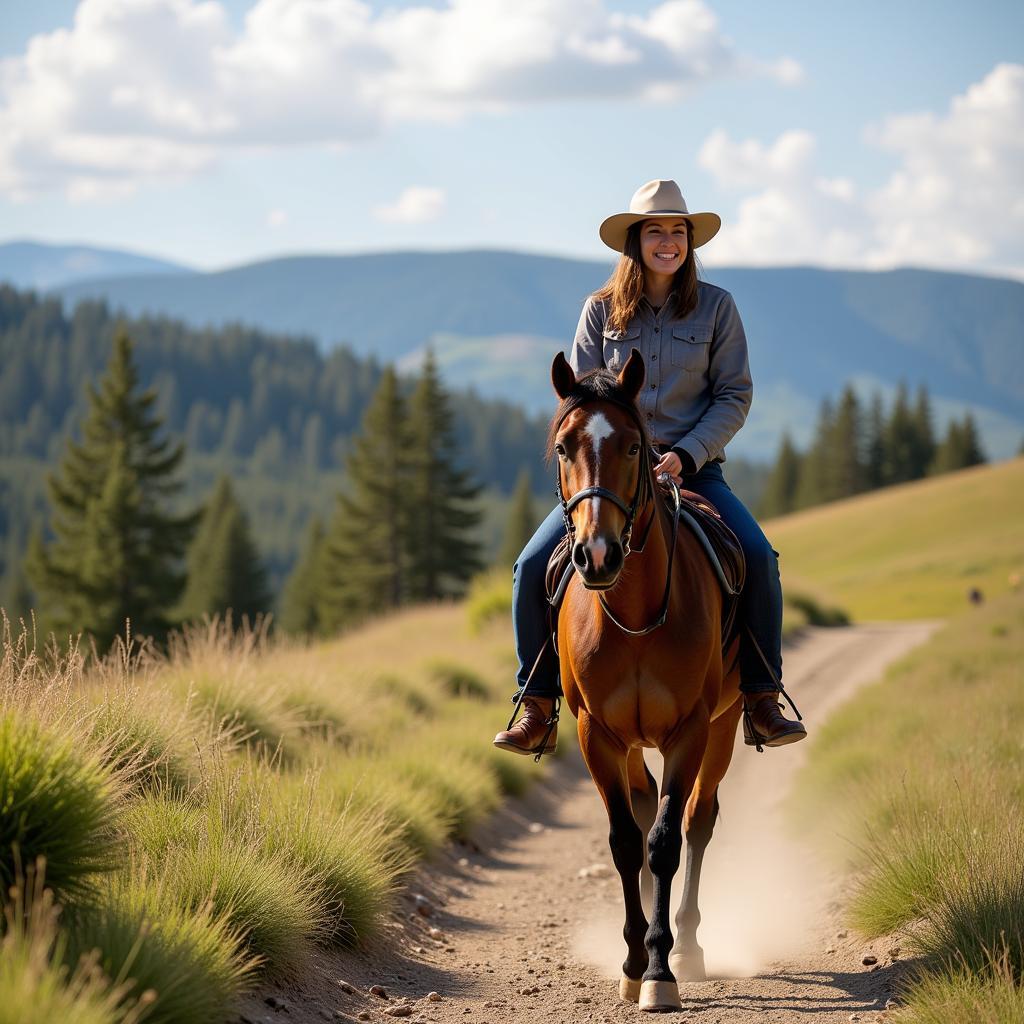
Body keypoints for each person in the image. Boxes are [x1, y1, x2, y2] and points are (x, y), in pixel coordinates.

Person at [493, 179, 806, 756]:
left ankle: (762, 698)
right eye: (656, 231)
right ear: (635, 241)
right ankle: (536, 705)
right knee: (529, 566)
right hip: (609, 479)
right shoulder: (599, 311)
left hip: (695, 471)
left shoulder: (718, 308)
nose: (668, 241)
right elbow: (580, 402)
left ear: (690, 241)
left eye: (678, 231)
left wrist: (686, 455)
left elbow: (733, 395)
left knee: (759, 557)